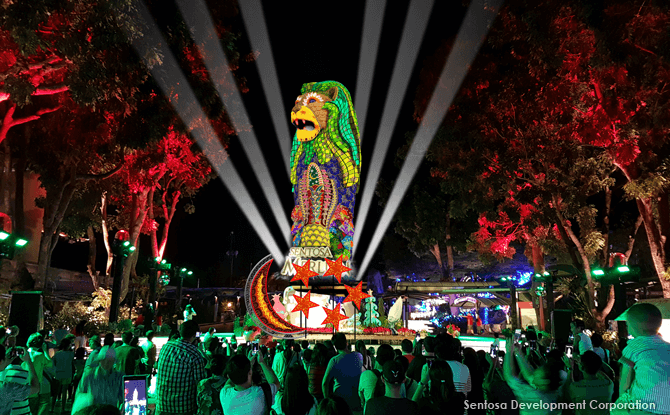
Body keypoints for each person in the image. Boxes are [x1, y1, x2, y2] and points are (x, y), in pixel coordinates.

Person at [614, 302, 670, 415]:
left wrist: (621, 400)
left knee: (615, 410)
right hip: (667, 407)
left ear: (631, 327)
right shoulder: (667, 346)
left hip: (644, 406)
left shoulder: (633, 347)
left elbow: (625, 380)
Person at [155, 320, 207, 415]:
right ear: (195, 335)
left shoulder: (166, 347)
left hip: (162, 404)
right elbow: (201, 383)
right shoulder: (194, 355)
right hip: (183, 407)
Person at [503, 333, 562, 415]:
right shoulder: (554, 393)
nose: (533, 381)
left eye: (536, 377)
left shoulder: (534, 397)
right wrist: (518, 352)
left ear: (545, 382)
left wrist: (509, 352)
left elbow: (509, 377)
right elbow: (529, 375)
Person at [72, 346, 124, 412]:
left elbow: (122, 398)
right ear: (99, 360)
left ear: (114, 361)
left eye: (110, 360)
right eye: (104, 360)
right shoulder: (89, 375)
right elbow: (80, 395)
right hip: (93, 412)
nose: (106, 363)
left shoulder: (119, 377)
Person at [322, 333, 364, 414]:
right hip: (356, 400)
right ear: (346, 342)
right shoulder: (359, 356)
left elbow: (325, 383)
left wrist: (328, 402)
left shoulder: (334, 361)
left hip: (340, 401)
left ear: (335, 346)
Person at [564, 351, 613, 415]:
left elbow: (567, 387)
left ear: (581, 367)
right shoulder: (608, 384)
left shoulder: (577, 387)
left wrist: (570, 368)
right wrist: (593, 362)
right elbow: (610, 372)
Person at [1, 346, 39, 415]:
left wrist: (6, 361)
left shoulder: (3, 377)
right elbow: (36, 388)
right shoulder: (8, 388)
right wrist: (28, 361)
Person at [359, 344, 394, 411]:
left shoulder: (366, 375)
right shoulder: (397, 377)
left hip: (370, 411)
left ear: (377, 359)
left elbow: (361, 397)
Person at [25, 333, 52, 415]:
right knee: (33, 411)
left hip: (24, 385)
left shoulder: (24, 353)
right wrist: (45, 350)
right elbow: (50, 364)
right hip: (35, 386)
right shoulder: (39, 355)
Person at [52, 337, 75, 413]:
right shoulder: (71, 354)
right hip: (67, 374)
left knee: (56, 392)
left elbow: (53, 363)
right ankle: (63, 409)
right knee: (64, 392)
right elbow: (72, 364)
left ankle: (52, 407)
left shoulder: (57, 354)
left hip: (58, 374)